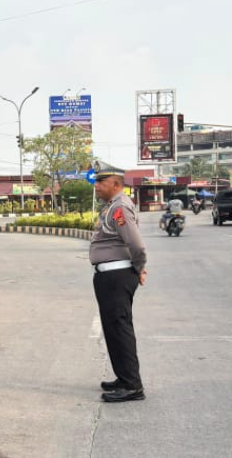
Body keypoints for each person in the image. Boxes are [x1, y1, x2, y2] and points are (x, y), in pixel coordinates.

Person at [90, 166, 148, 403]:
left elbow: (136, 244)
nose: (96, 186)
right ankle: (123, 378)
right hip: (109, 276)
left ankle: (133, 385)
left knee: (120, 329)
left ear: (115, 183)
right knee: (113, 329)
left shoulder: (120, 207)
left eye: (100, 182)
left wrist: (140, 267)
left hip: (117, 277)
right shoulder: (112, 206)